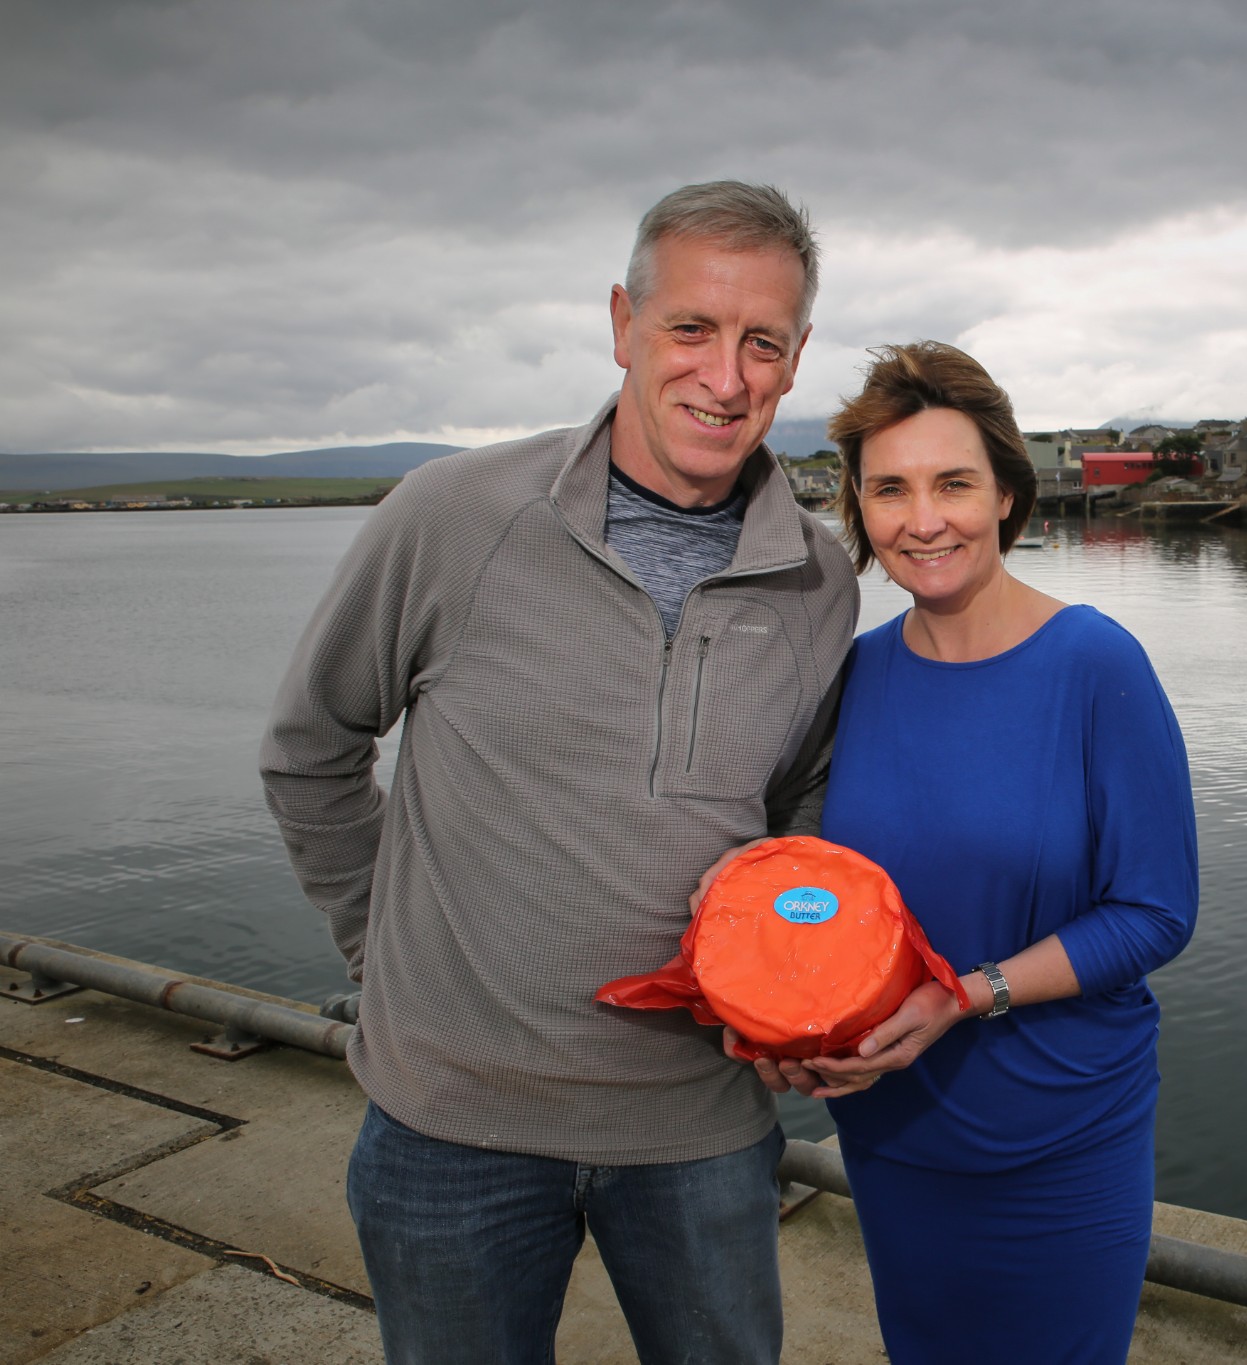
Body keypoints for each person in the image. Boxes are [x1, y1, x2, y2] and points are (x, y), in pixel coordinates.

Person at [259, 181, 857, 1364]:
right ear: (623, 324)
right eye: (690, 328)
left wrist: (798, 987)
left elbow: (800, 816)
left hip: (700, 1133)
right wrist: (379, 951)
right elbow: (310, 748)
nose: (724, 377)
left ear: (795, 363)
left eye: (762, 343)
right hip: (452, 1125)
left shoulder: (820, 579)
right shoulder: (456, 515)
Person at [737, 341, 1199, 1363]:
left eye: (953, 482)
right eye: (889, 489)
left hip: (1063, 1134)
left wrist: (962, 992)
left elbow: (1155, 911)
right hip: (896, 1135)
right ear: (859, 510)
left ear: (1005, 497)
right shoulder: (850, 677)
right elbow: (810, 896)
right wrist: (783, 1020)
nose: (924, 518)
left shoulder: (1092, 664)